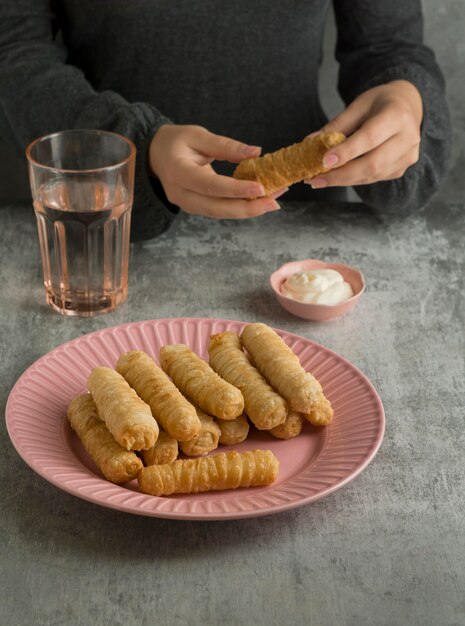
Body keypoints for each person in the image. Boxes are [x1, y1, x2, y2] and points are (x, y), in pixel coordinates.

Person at [0, 1, 451, 240]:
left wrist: (406, 99)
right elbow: (16, 51)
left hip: (301, 238)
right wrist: (136, 144)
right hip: (103, 237)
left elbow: (389, 46)